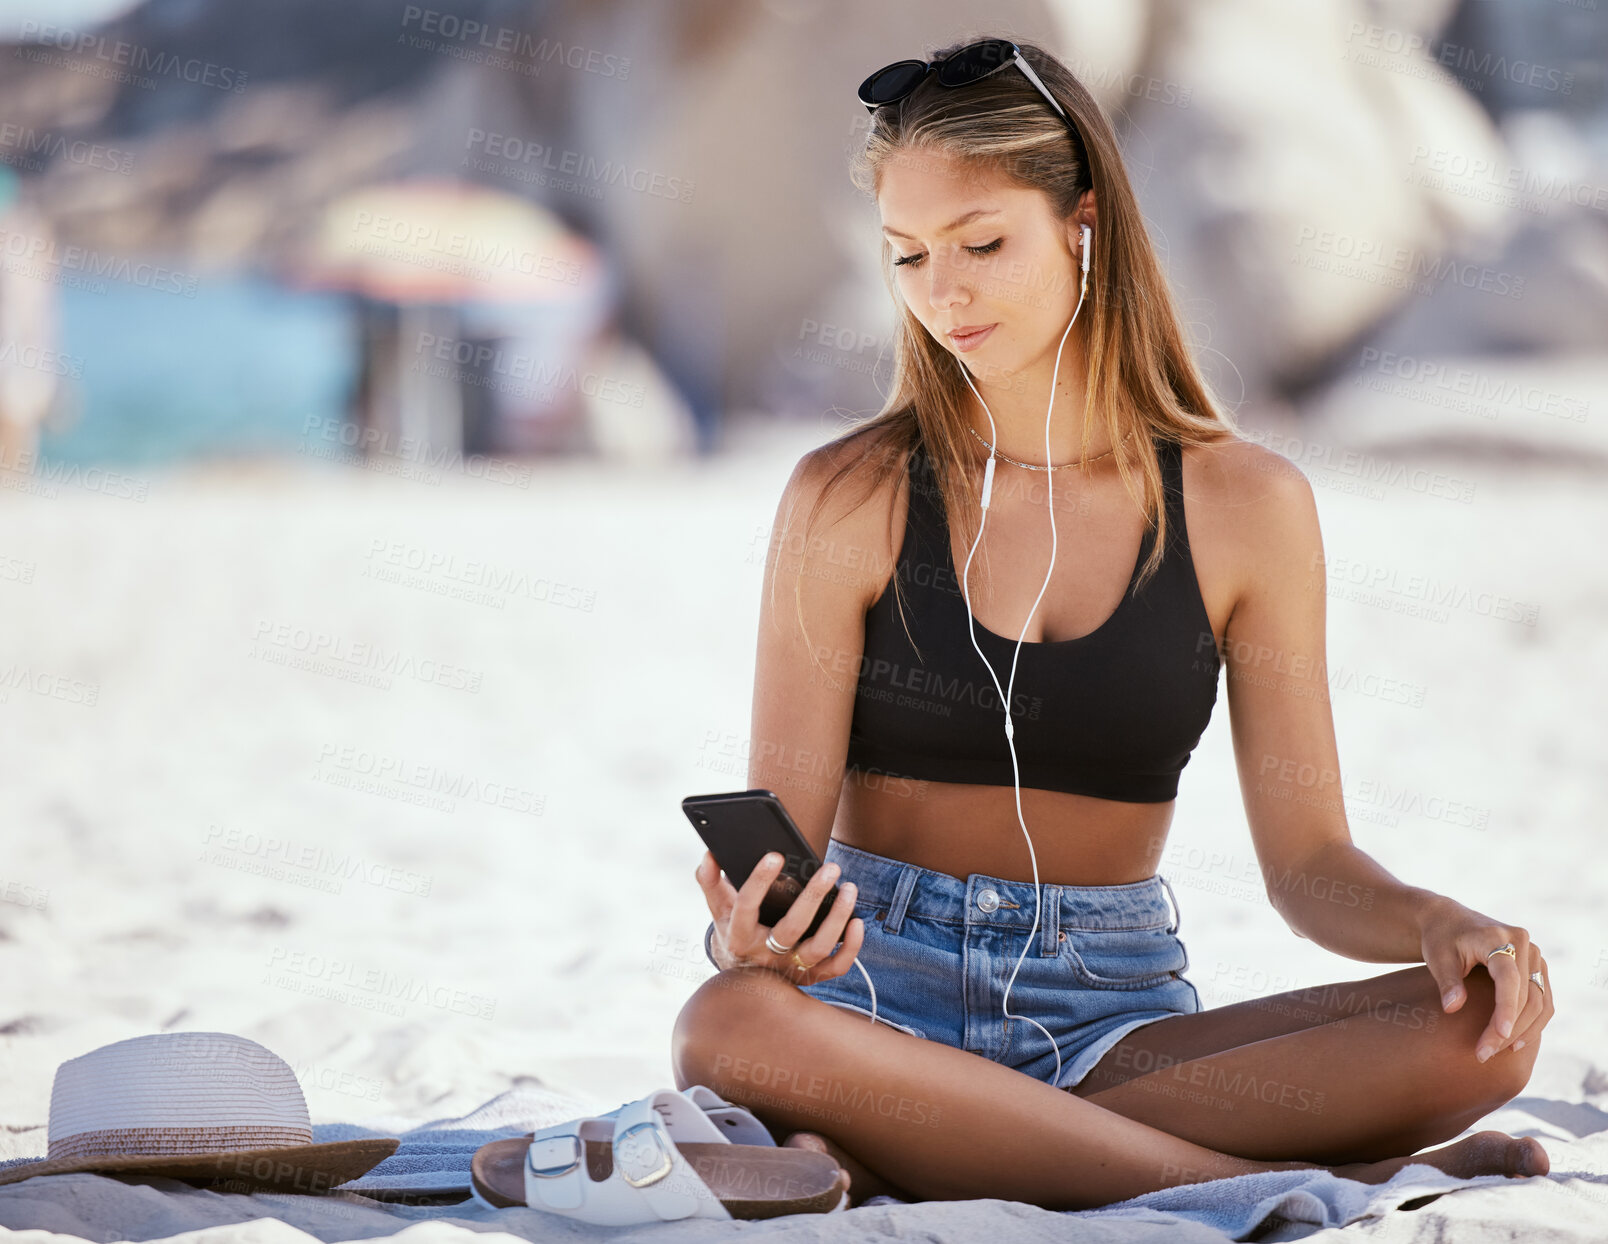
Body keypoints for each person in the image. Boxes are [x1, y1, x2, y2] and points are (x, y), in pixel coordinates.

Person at [672, 37, 1552, 1210]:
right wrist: (758, 938)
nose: (946, 292)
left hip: (1108, 1017)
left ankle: (929, 1148)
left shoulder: (1249, 507)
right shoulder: (849, 494)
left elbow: (1308, 867)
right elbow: (786, 847)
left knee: (1483, 1028)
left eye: (984, 243)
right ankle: (1289, 1182)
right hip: (873, 1008)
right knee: (725, 1024)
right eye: (910, 255)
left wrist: (1439, 920)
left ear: (1084, 221)